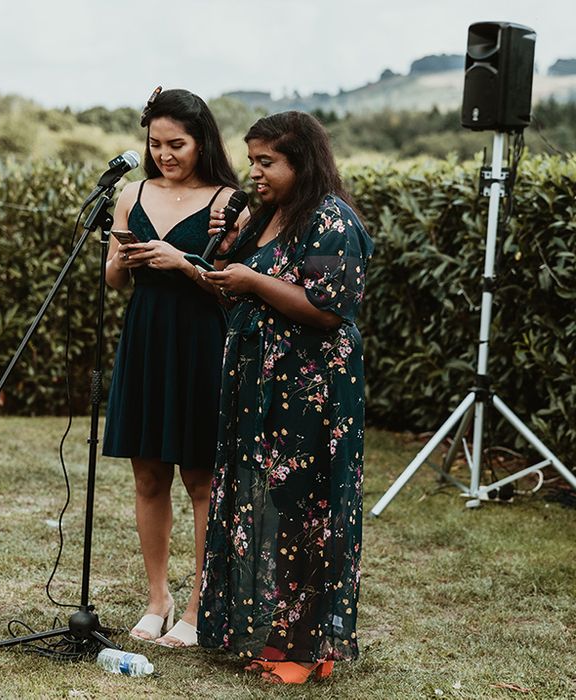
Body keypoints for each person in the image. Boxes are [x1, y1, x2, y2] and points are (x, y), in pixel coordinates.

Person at [198, 111, 374, 683]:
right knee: (266, 507)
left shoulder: (330, 220)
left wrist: (253, 282)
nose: (255, 173)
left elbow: (327, 308)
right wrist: (223, 250)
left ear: (302, 161)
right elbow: (235, 292)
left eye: (266, 162)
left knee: (306, 509)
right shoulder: (267, 217)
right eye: (251, 161)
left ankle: (307, 650)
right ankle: (275, 638)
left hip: (313, 390)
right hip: (261, 389)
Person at [102, 87, 246, 648]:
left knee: (202, 479)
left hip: (202, 341)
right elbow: (114, 283)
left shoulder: (229, 200)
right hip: (146, 337)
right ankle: (157, 598)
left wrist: (183, 264)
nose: (164, 154)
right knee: (148, 475)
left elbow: (235, 291)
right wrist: (119, 259)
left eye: (177, 144)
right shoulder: (132, 193)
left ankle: (197, 605)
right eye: (156, 144)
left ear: (202, 140)